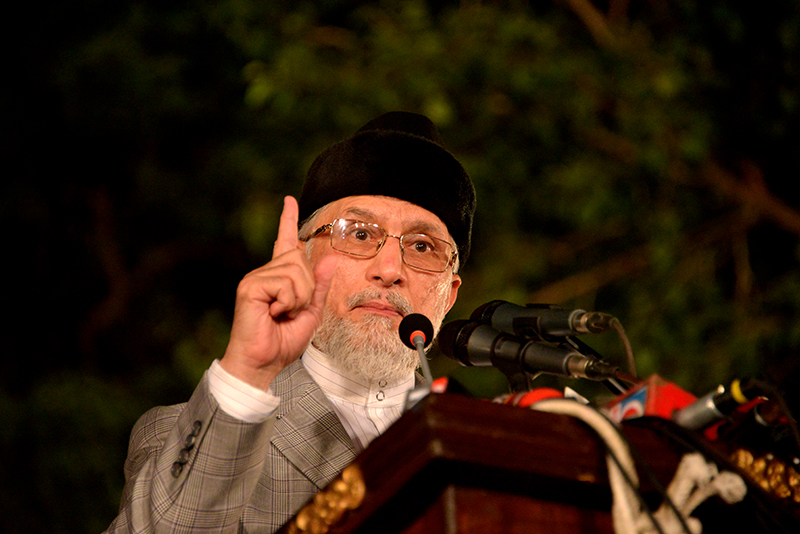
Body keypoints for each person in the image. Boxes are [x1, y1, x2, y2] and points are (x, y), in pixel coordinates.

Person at [104, 111, 476, 533]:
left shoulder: (486, 446)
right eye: (359, 234)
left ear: (449, 295)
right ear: (301, 259)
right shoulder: (186, 435)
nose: (390, 269)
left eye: (423, 246)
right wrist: (250, 371)